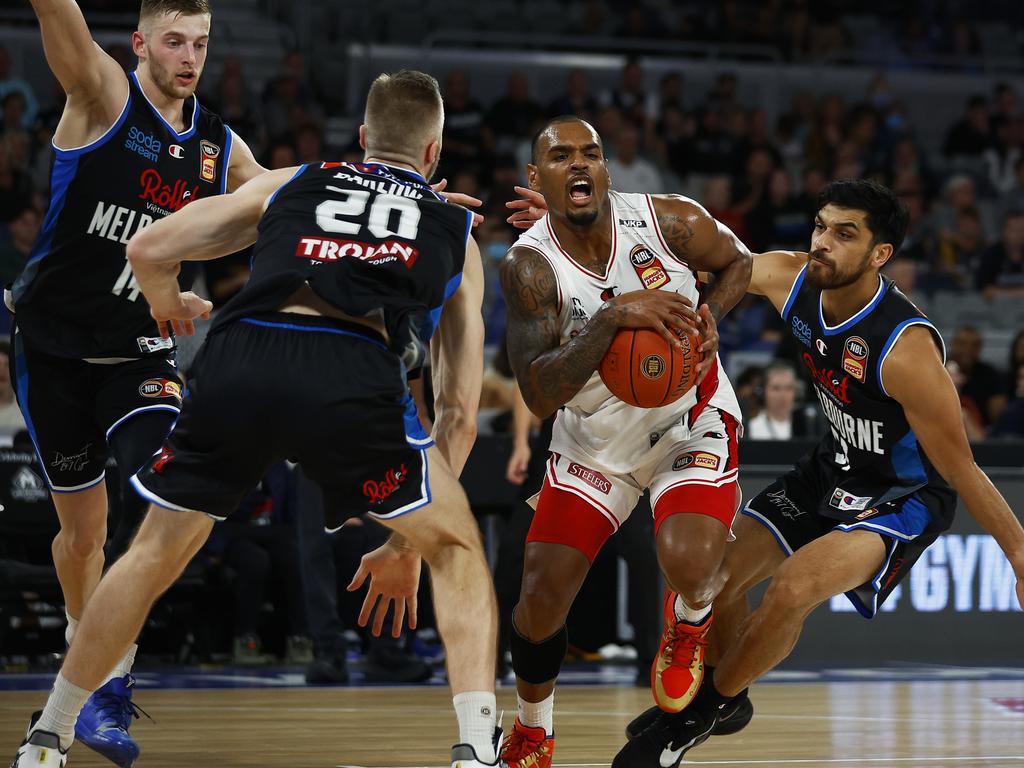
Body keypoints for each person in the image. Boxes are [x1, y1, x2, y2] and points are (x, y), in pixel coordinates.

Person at [12, 69, 497, 768]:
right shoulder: (456, 227)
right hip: (347, 367)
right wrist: (405, 544)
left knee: (150, 554)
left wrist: (166, 304)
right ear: (433, 154)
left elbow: (148, 248)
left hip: (241, 357)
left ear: (361, 141)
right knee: (458, 552)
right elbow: (456, 410)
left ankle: (47, 737)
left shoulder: (293, 180)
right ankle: (477, 750)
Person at [614, 180, 1024, 767]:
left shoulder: (905, 349)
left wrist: (1018, 553)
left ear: (880, 254)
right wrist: (596, 225)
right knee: (712, 582)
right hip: (829, 469)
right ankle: (729, 699)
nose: (821, 243)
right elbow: (716, 255)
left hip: (900, 496)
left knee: (792, 588)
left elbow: (961, 468)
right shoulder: (793, 277)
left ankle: (697, 716)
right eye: (819, 226)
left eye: (844, 233)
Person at [11, 1, 266, 764]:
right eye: (175, 41)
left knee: (173, 494)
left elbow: (283, 188)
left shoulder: (219, 146)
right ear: (142, 43)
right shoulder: (101, 96)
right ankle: (86, 651)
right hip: (51, 348)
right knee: (81, 538)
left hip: (140, 351)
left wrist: (395, 187)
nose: (189, 57)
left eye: (201, 44)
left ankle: (91, 692)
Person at [497, 116, 751, 768]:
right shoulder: (530, 266)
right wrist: (612, 318)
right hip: (592, 441)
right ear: (536, 177)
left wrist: (709, 315)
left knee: (689, 560)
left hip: (685, 419)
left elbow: (738, 265)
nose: (578, 166)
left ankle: (691, 621)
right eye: (560, 157)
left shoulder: (668, 221)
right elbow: (538, 394)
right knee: (539, 598)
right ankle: (533, 727)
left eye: (591, 154)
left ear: (607, 169)